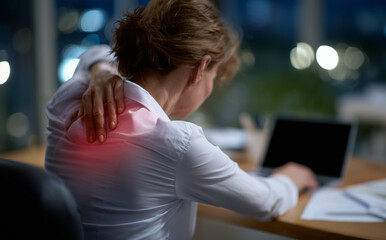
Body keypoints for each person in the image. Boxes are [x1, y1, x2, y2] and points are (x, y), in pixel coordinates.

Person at [45, 0, 318, 239]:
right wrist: (290, 177)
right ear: (200, 68)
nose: (209, 92)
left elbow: (95, 54)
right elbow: (266, 202)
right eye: (213, 78)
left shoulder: (68, 98)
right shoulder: (178, 144)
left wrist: (101, 70)